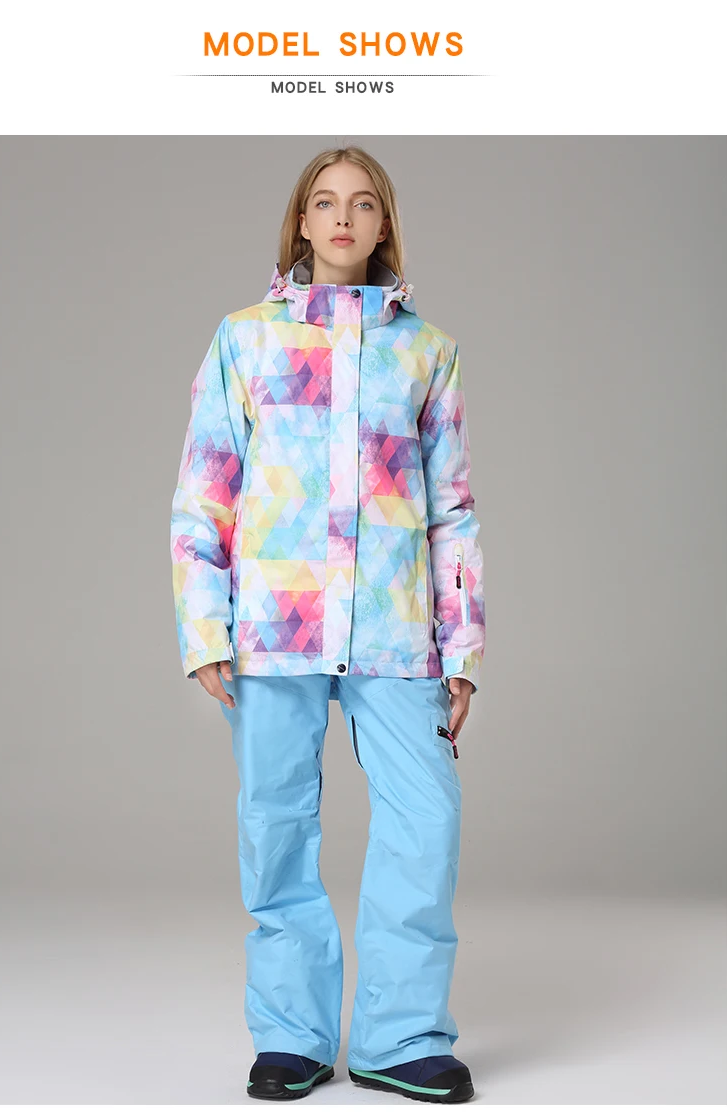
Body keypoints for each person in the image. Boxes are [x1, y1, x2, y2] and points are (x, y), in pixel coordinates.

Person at [170, 145, 486, 1103]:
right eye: (324, 202)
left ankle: (401, 1036)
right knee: (275, 826)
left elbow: (452, 511)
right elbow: (205, 492)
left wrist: (463, 647)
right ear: (301, 222)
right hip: (273, 625)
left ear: (384, 224)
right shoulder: (245, 340)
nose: (343, 218)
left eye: (362, 204)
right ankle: (293, 1036)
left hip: (395, 626)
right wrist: (206, 628)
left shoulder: (428, 352)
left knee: (425, 822)